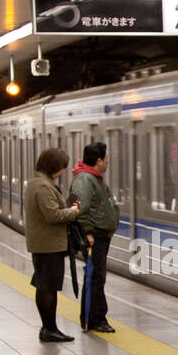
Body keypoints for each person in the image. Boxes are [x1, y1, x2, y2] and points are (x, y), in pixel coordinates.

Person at [24, 147, 80, 343]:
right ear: (53, 167)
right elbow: (53, 215)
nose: (62, 172)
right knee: (47, 287)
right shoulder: (42, 186)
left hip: (45, 243)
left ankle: (50, 328)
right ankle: (48, 329)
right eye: (61, 168)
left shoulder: (38, 183)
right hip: (48, 245)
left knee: (47, 286)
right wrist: (73, 212)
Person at [69, 141, 120, 332]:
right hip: (95, 237)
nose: (107, 162)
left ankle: (96, 317)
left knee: (98, 276)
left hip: (100, 235)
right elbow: (81, 209)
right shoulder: (85, 179)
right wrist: (88, 231)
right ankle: (93, 319)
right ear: (98, 160)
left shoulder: (93, 177)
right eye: (106, 159)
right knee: (95, 277)